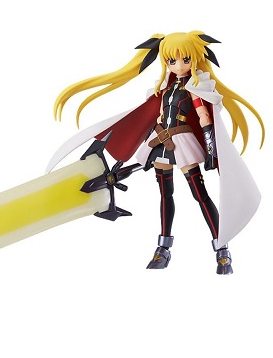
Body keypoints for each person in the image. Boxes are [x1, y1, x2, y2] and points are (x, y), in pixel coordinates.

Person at [51, 31, 265, 274]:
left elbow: (204, 118)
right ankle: (163, 248)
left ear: (194, 58)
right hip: (160, 139)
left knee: (200, 194)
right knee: (165, 194)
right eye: (172, 60)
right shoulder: (165, 88)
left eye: (185, 59)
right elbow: (157, 116)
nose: (178, 65)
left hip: (183, 142)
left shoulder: (196, 87)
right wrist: (146, 138)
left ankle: (222, 248)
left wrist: (211, 150)